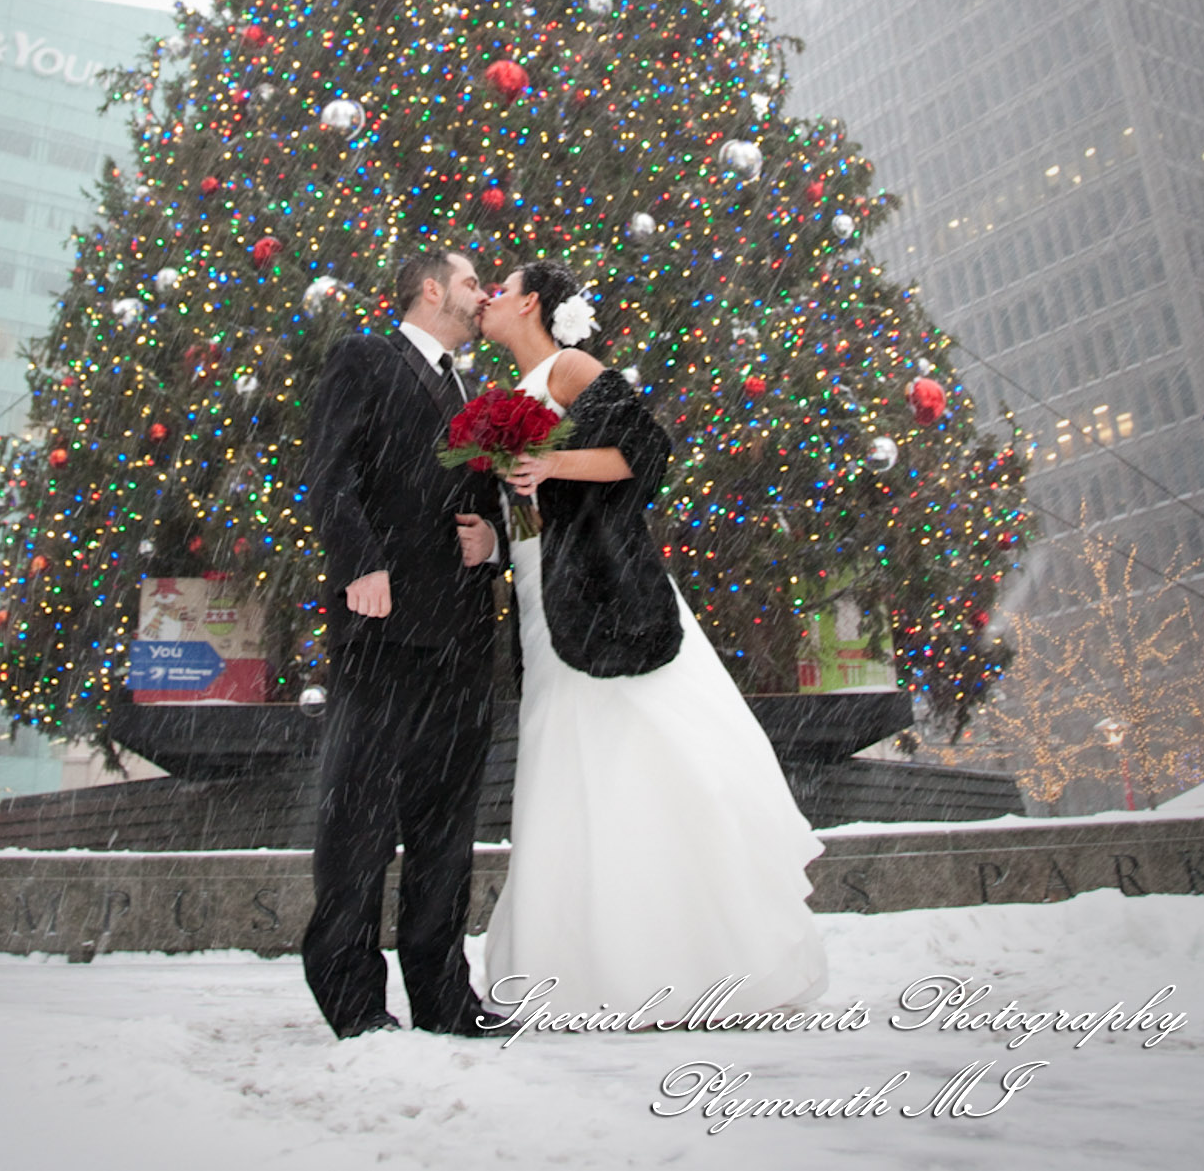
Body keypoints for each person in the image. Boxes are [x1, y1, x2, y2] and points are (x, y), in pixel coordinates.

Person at [480, 260, 827, 1022]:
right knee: (568, 758)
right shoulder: (505, 399)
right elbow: (531, 507)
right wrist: (494, 536)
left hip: (598, 595)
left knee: (637, 744)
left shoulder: (567, 368)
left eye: (499, 290)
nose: (487, 301)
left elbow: (646, 447)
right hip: (541, 597)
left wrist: (550, 461)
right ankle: (589, 965)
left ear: (531, 303)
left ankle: (693, 950)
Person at [302, 247, 509, 1038]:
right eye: (470, 281)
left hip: (462, 640)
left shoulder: (473, 393)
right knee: (358, 822)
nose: (483, 293)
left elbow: (484, 500)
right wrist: (361, 561)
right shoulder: (365, 358)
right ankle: (353, 999)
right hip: (382, 629)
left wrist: (491, 541)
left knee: (445, 831)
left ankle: (444, 997)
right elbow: (331, 472)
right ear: (430, 289)